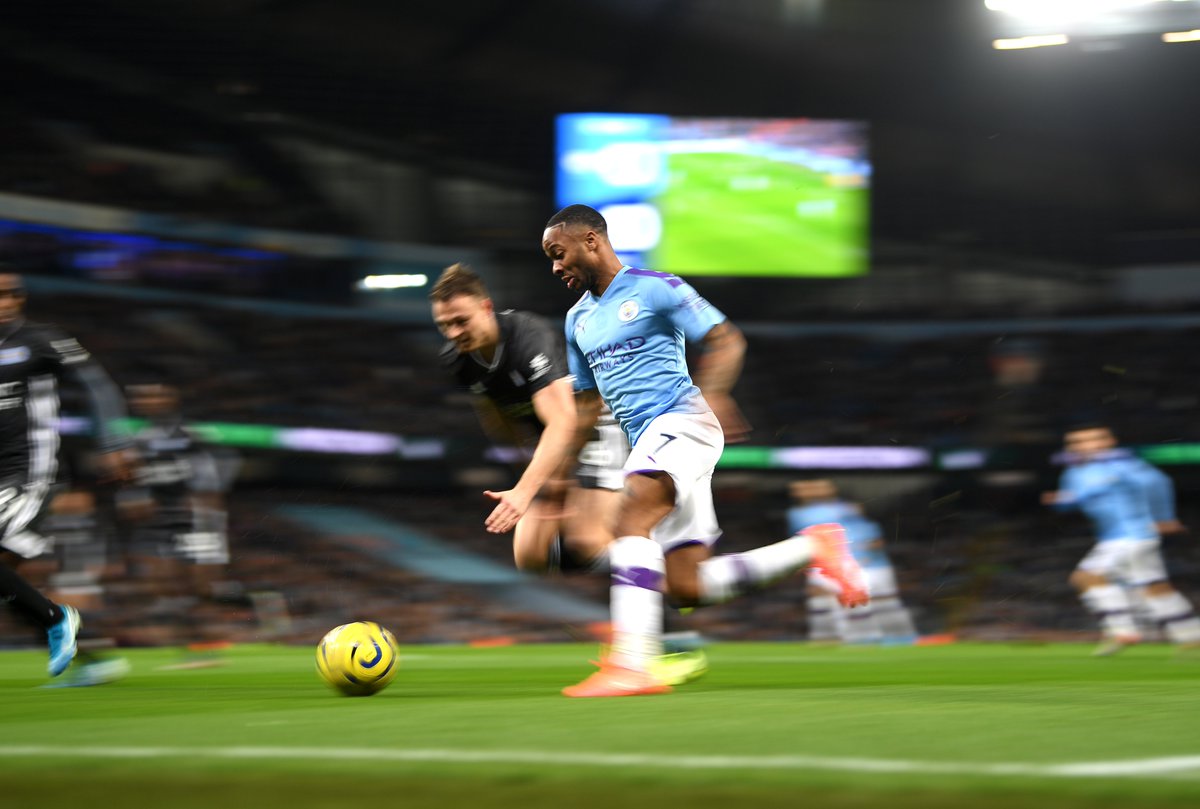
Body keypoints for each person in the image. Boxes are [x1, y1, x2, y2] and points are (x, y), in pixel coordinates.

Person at [543, 204, 868, 697]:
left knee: (631, 520)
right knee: (685, 586)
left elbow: (726, 339)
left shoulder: (657, 286)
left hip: (683, 422)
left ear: (591, 240)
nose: (555, 267)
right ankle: (816, 546)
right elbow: (586, 408)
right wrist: (563, 475)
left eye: (558, 253)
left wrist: (714, 390)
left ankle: (633, 664)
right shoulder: (577, 320)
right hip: (645, 443)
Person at [432, 264, 708, 685]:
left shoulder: (528, 338)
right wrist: (532, 473)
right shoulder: (461, 361)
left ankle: (673, 639)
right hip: (554, 441)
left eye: (461, 320)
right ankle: (648, 581)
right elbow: (496, 415)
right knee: (531, 555)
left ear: (486, 308)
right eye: (443, 325)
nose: (453, 332)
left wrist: (533, 490)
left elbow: (565, 421)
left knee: (586, 538)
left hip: (595, 424)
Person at [0, 271, 132, 678]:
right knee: (7, 581)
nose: (3, 300)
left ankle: (59, 621)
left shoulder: (40, 339)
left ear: (21, 299)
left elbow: (96, 384)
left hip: (30, 474)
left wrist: (111, 443)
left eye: (9, 293)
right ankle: (88, 662)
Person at [1043, 424, 1200, 656]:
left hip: (1132, 534)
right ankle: (1190, 635)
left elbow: (1157, 483)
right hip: (1115, 537)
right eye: (1075, 442)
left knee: (1086, 577)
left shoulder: (1122, 464)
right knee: (1154, 586)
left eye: (1090, 440)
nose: (1081, 446)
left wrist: (1164, 517)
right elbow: (1072, 502)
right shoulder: (1073, 472)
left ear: (1108, 442)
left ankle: (1123, 631)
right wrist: (1061, 501)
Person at [116, 382, 236, 667]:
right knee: (162, 586)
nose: (147, 400)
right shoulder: (137, 439)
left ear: (172, 397)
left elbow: (214, 479)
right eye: (142, 395)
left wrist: (210, 519)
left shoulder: (190, 435)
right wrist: (131, 497)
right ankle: (195, 647)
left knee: (200, 586)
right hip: (157, 522)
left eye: (155, 394)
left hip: (194, 518)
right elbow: (132, 480)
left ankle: (208, 647)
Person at [788, 480, 917, 645]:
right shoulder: (798, 514)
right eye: (801, 489)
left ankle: (890, 638)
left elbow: (872, 539)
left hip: (854, 563)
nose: (806, 492)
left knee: (875, 601)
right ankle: (833, 637)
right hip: (827, 561)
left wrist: (862, 550)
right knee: (824, 599)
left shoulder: (852, 517)